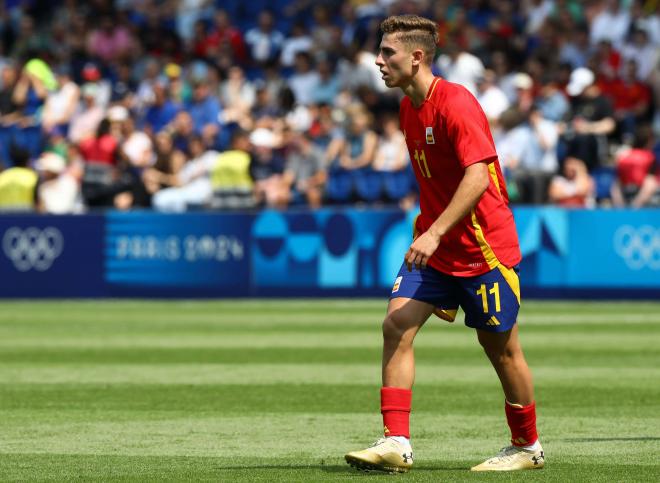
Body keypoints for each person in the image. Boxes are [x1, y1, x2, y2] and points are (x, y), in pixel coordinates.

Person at [345, 15, 544, 474]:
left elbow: (478, 177)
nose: (378, 61)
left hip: (482, 249)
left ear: (416, 57)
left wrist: (434, 233)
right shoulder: (408, 108)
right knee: (396, 326)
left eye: (387, 53)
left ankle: (527, 446)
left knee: (502, 350)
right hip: (434, 249)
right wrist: (429, 233)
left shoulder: (456, 102)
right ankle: (396, 442)